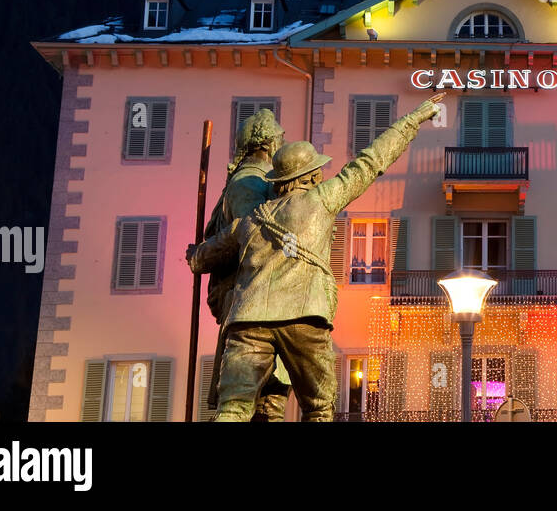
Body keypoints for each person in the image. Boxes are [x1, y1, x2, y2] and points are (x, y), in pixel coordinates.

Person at [187, 95, 443, 421]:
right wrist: (413, 120)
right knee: (319, 408)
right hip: (305, 318)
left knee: (233, 409)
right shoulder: (321, 200)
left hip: (248, 320)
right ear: (308, 177)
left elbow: (204, 257)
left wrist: (193, 254)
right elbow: (370, 161)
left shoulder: (250, 220)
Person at [202, 108, 291, 421]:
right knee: (252, 405)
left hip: (263, 302)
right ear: (266, 144)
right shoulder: (250, 184)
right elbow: (253, 238)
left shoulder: (257, 181)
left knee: (267, 404)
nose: (284, 140)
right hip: (253, 303)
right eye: (280, 137)